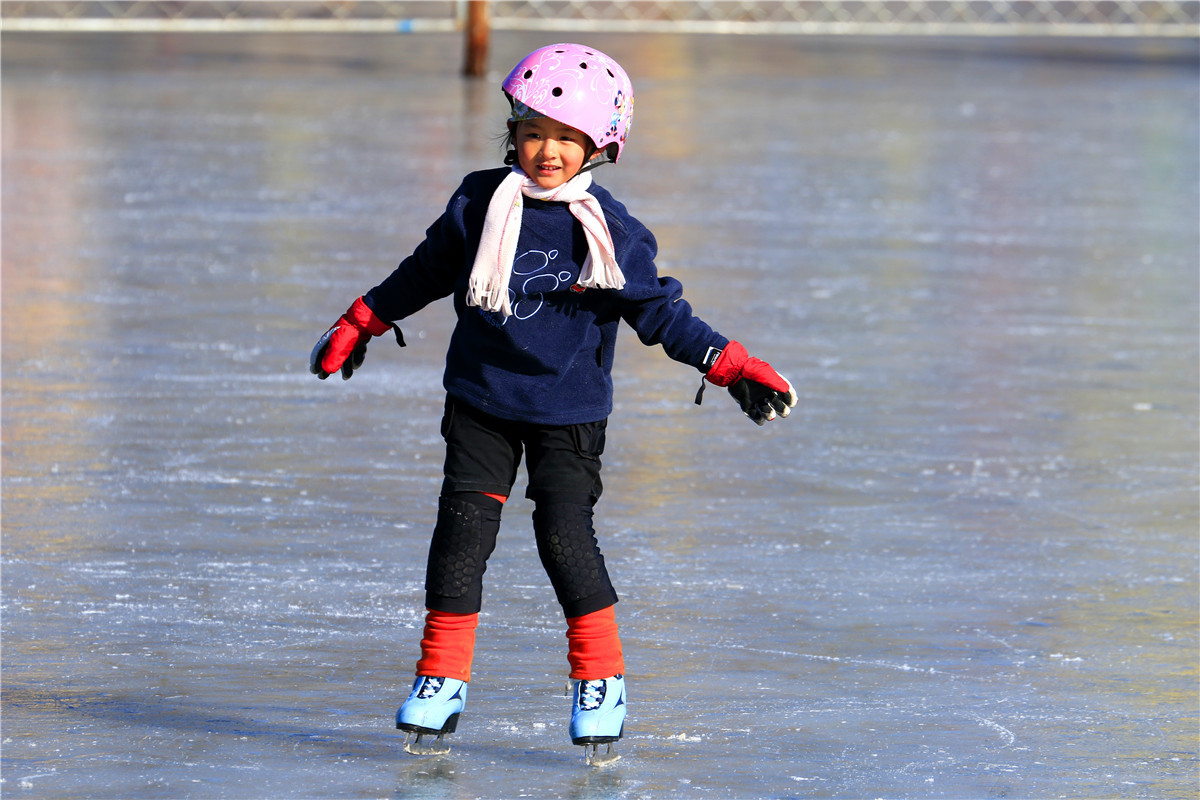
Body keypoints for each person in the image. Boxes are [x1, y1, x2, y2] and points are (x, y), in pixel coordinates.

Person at [310, 43, 796, 760]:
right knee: (462, 534)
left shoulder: (610, 231)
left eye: (567, 139)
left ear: (599, 146)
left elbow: (659, 313)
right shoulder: (478, 202)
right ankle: (441, 676)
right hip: (481, 399)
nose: (546, 151)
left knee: (564, 536)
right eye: (534, 131)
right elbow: (427, 272)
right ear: (513, 131)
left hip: (569, 411)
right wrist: (365, 318)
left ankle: (600, 680)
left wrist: (729, 364)